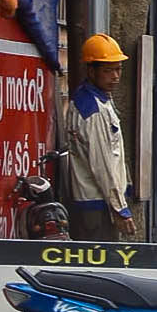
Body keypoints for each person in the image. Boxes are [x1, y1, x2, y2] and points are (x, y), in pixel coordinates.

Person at [59, 33, 136, 239]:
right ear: (91, 70)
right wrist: (120, 209)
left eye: (118, 70)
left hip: (99, 202)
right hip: (97, 205)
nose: (115, 77)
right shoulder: (93, 109)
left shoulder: (97, 99)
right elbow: (102, 163)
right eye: (108, 71)